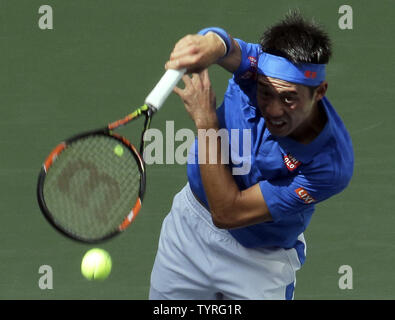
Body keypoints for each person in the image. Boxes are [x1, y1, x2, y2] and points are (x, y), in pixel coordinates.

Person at [149, 11, 354, 300]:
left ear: (319, 91)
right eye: (265, 93)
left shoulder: (330, 165)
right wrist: (207, 43)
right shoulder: (257, 68)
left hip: (260, 261)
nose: (272, 109)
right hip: (189, 232)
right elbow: (224, 45)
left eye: (288, 98)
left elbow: (228, 212)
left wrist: (206, 122)